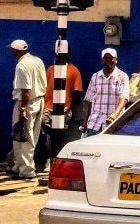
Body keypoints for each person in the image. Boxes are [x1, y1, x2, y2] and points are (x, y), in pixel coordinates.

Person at [35, 50, 84, 172]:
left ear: (68, 55)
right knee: (43, 126)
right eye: (57, 54)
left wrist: (69, 109)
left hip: (65, 109)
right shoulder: (51, 69)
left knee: (59, 136)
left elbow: (77, 92)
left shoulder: (74, 71)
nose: (59, 56)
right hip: (48, 107)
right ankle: (48, 158)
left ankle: (53, 161)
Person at [7, 40, 46, 180]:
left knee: (23, 137)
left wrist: (23, 108)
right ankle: (19, 166)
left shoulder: (21, 66)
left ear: (16, 51)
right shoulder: (38, 61)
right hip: (39, 101)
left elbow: (26, 91)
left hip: (26, 103)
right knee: (31, 136)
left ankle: (26, 171)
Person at [82, 48, 130, 137]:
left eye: (111, 58)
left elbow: (124, 97)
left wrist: (115, 114)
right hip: (95, 124)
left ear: (116, 60)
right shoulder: (95, 76)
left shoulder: (122, 76)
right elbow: (90, 100)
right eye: (106, 58)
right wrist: (86, 119)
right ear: (102, 60)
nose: (108, 60)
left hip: (114, 124)